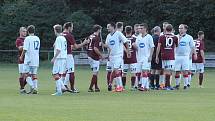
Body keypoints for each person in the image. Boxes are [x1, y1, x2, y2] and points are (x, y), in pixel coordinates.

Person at [62, 22, 88, 93]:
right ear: (69, 27)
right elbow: (76, 47)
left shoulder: (60, 35)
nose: (72, 29)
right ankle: (72, 88)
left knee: (63, 72)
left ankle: (62, 86)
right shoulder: (69, 35)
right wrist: (84, 43)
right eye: (72, 27)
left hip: (61, 56)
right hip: (68, 55)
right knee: (71, 72)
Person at [105, 22, 130, 92]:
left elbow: (126, 41)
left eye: (108, 27)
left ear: (113, 27)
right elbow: (108, 47)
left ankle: (120, 86)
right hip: (112, 56)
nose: (107, 28)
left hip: (118, 55)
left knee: (116, 70)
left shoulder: (118, 33)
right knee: (115, 71)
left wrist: (128, 51)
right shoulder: (108, 36)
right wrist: (108, 55)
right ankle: (118, 86)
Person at [156, 24, 178, 90]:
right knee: (169, 71)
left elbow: (158, 47)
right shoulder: (175, 37)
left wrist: (157, 56)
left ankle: (163, 84)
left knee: (164, 70)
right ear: (172, 30)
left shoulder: (161, 37)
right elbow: (176, 46)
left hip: (163, 55)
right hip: (170, 55)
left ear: (165, 29)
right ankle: (167, 86)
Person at [174, 24, 197, 90]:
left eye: (181, 28)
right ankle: (177, 85)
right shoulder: (176, 37)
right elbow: (174, 46)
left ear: (185, 29)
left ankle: (185, 85)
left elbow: (193, 47)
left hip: (185, 56)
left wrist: (194, 54)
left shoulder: (189, 37)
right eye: (179, 28)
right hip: (177, 56)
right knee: (177, 71)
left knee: (185, 71)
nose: (180, 29)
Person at [133, 23, 154, 91]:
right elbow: (137, 48)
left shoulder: (149, 37)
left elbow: (152, 47)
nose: (140, 29)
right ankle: (146, 86)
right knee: (138, 72)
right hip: (139, 57)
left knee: (144, 71)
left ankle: (142, 86)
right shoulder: (138, 37)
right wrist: (134, 46)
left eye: (141, 28)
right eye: (139, 28)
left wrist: (150, 56)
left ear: (145, 29)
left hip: (146, 57)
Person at [20, 25, 40, 94]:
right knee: (34, 74)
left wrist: (21, 56)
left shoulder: (27, 38)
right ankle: (36, 88)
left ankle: (32, 87)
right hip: (36, 59)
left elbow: (25, 49)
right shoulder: (37, 38)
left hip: (29, 59)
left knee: (26, 74)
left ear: (28, 31)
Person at [51, 24, 67, 96]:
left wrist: (54, 58)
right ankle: (63, 87)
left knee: (55, 74)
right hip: (63, 58)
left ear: (55, 30)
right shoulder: (63, 37)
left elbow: (58, 50)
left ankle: (59, 91)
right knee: (58, 74)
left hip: (59, 58)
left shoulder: (58, 38)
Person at [87, 25, 104, 92]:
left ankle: (96, 87)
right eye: (100, 29)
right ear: (98, 30)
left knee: (95, 72)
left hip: (89, 56)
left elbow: (87, 45)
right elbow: (95, 48)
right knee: (95, 73)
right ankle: (90, 88)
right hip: (94, 57)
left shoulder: (90, 36)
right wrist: (101, 55)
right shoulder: (97, 38)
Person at [122, 26, 137, 90]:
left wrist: (127, 51)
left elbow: (122, 47)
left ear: (125, 31)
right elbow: (136, 48)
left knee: (124, 73)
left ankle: (123, 86)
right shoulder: (134, 39)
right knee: (133, 73)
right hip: (133, 58)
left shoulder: (123, 39)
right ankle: (132, 86)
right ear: (131, 31)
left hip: (125, 58)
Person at [16, 27, 27, 94]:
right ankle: (22, 89)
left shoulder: (28, 39)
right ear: (20, 32)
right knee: (22, 75)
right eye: (23, 31)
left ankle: (21, 87)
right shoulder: (18, 40)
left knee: (29, 76)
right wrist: (27, 46)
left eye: (25, 31)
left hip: (28, 60)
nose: (25, 32)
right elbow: (20, 48)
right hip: (22, 60)